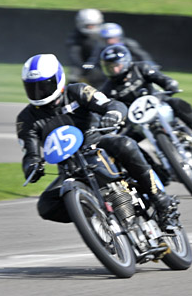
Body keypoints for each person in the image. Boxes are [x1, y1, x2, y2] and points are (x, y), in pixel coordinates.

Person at [17, 54, 179, 226]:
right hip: (69, 166)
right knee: (46, 206)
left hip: (97, 144)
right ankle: (95, 215)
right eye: (32, 87)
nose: (38, 92)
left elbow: (112, 104)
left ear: (58, 78)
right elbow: (30, 153)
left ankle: (161, 201)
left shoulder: (78, 91)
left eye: (43, 85)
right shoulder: (26, 119)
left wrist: (113, 114)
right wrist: (32, 167)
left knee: (125, 144)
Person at [98, 44, 192, 150]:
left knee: (177, 103)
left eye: (116, 65)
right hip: (137, 121)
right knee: (126, 144)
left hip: (158, 104)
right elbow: (111, 108)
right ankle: (153, 170)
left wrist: (169, 84)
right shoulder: (108, 89)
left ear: (125, 62)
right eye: (109, 67)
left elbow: (160, 78)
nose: (113, 70)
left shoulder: (141, 68)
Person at [66, 8, 105, 75]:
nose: (91, 28)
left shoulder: (104, 35)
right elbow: (74, 54)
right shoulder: (75, 37)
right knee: (74, 74)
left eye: (93, 25)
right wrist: (82, 66)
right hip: (82, 65)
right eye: (88, 26)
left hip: (101, 64)